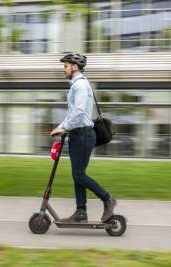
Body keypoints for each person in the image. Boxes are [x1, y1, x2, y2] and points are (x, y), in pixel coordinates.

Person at [50, 53, 117, 223]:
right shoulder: (77, 85)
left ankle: (107, 198)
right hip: (78, 134)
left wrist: (64, 127)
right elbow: (73, 113)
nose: (63, 70)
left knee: (79, 175)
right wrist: (61, 127)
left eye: (65, 66)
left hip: (83, 135)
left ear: (74, 67)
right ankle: (81, 211)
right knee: (77, 174)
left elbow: (79, 112)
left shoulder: (79, 85)